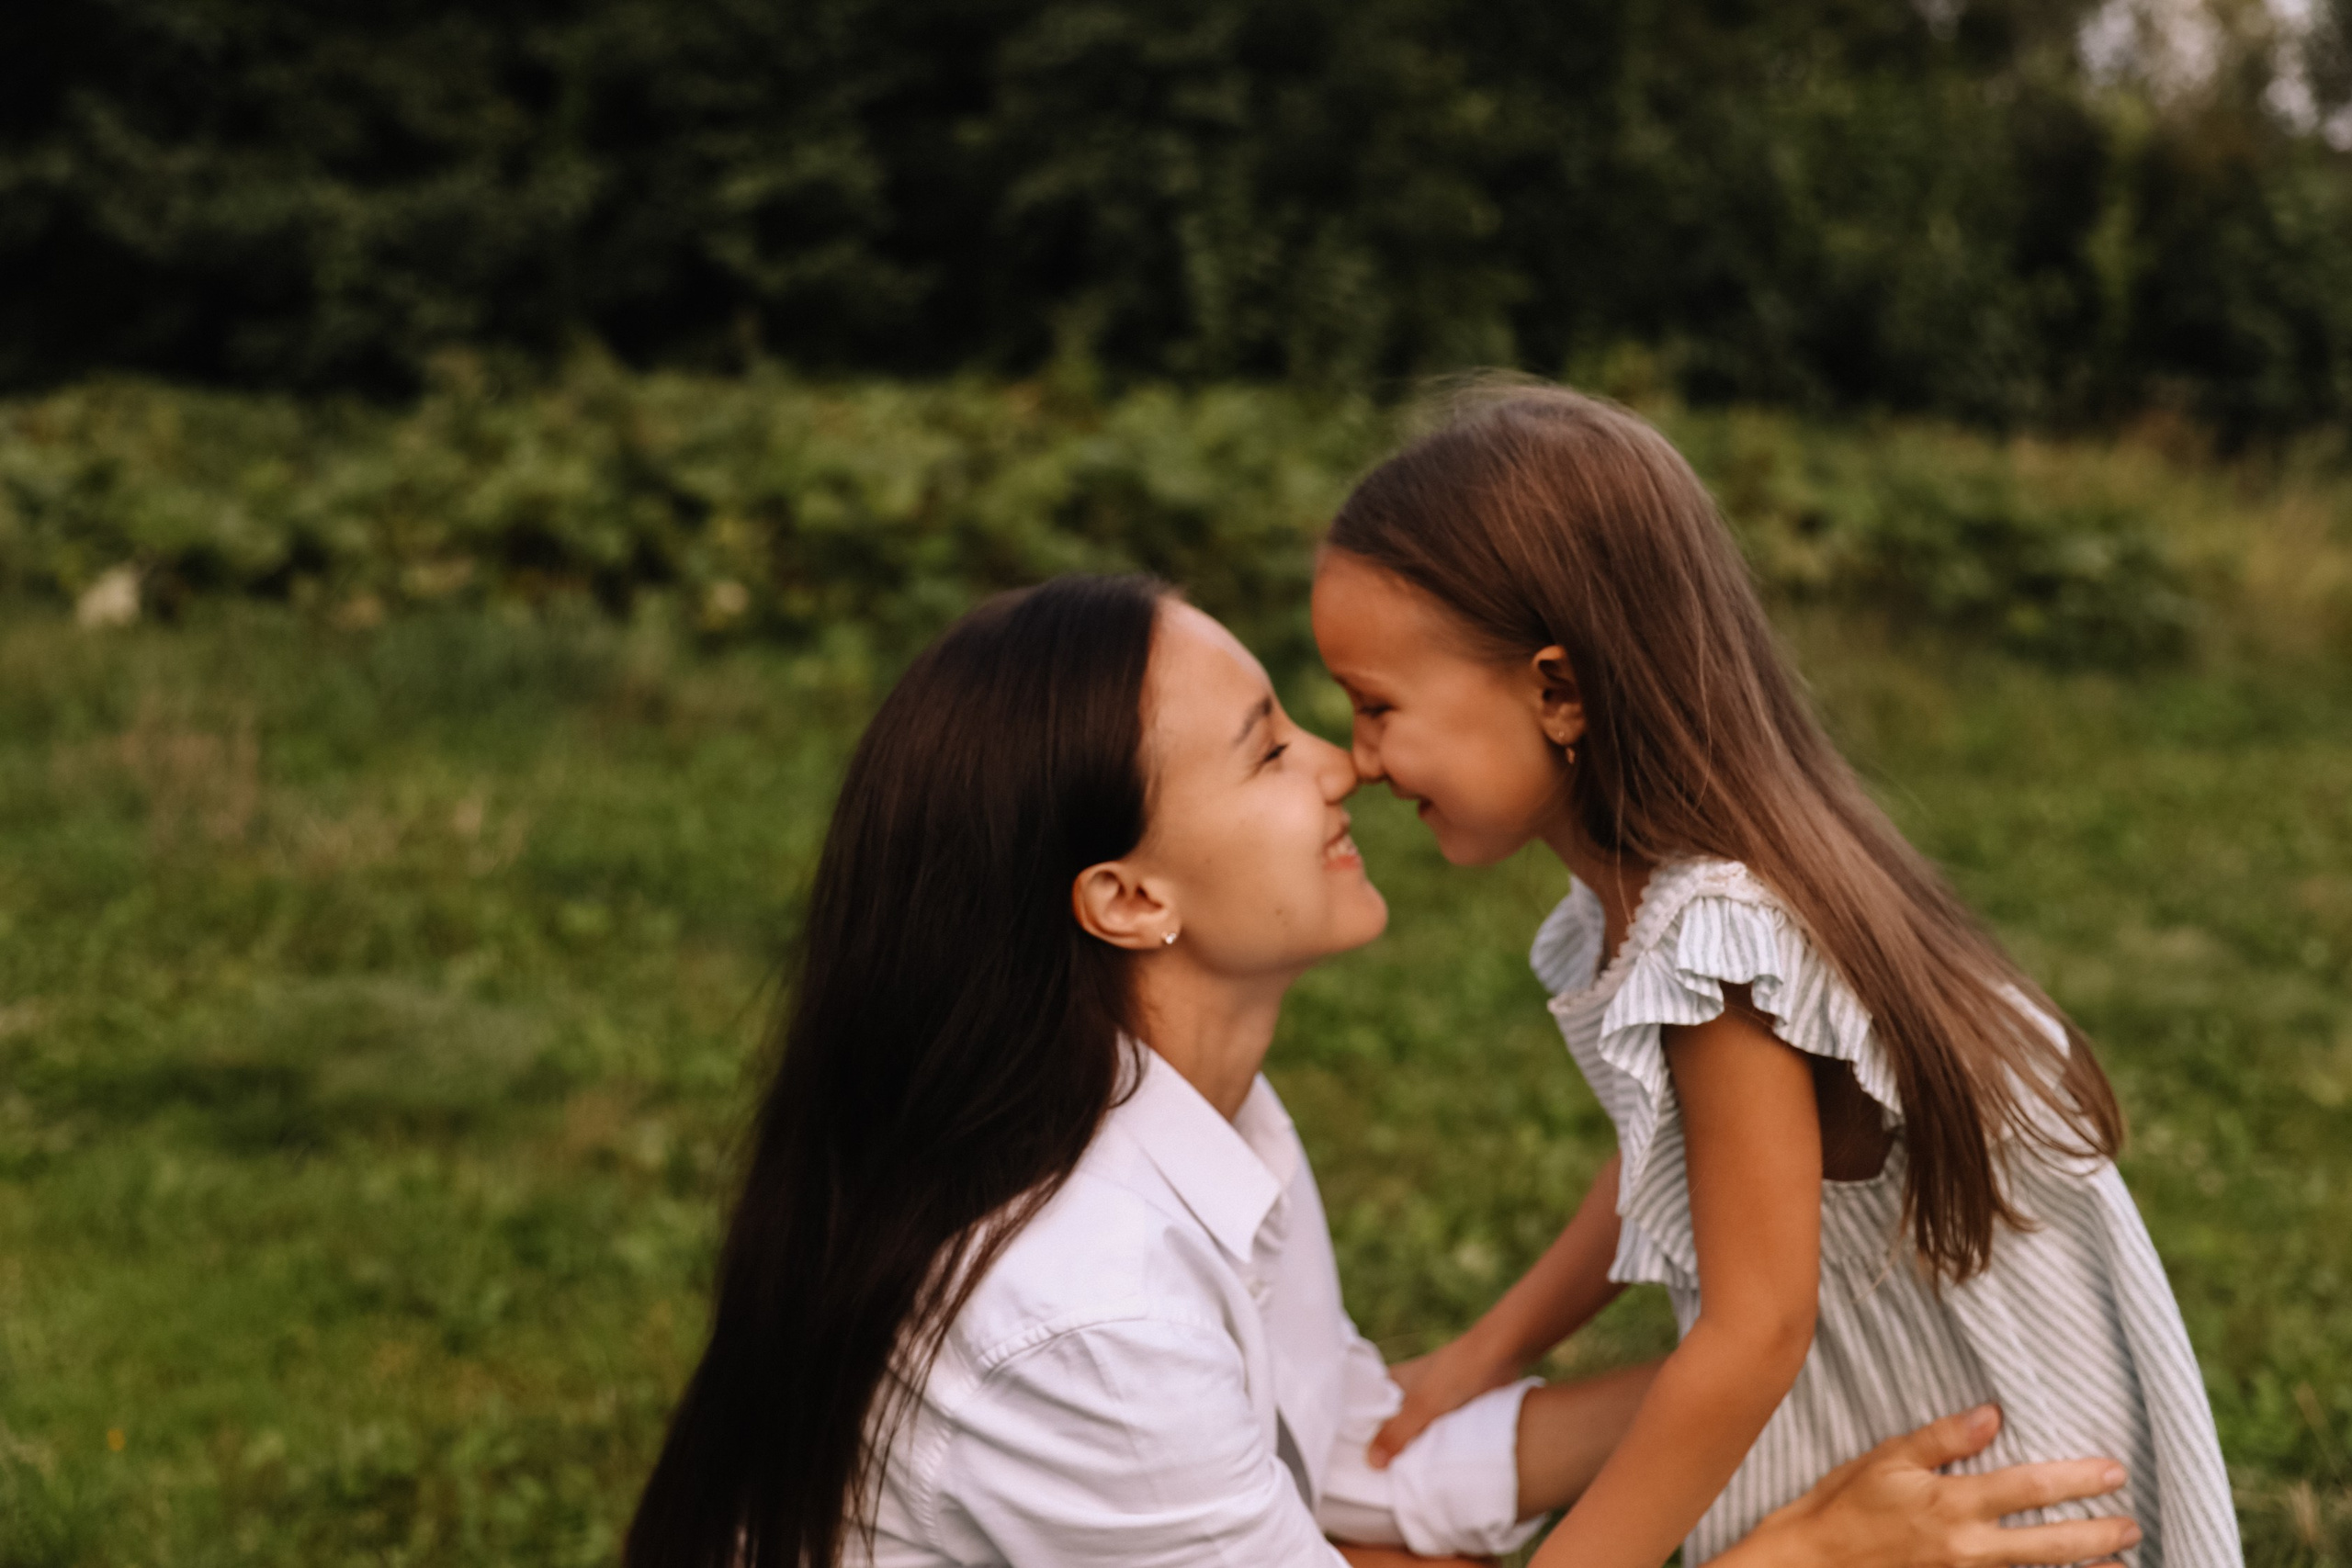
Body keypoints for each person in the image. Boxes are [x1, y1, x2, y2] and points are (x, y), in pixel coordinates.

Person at [623, 573, 2144, 1568]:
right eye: (1268, 748)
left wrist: (1787, 1377)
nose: (1342, 760)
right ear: (1129, 900)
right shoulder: (1084, 1313)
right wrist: (1799, 1557)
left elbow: (1354, 1461)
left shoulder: (1211, 1127)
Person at [1310, 381, 2241, 1568]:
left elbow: (1755, 1335)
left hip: (1959, 1449)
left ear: (1558, 692)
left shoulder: (1718, 942)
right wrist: (1486, 1350)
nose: (1363, 758)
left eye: (1379, 706)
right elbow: (1677, 1161)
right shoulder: (1672, 897)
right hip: (1910, 1396)